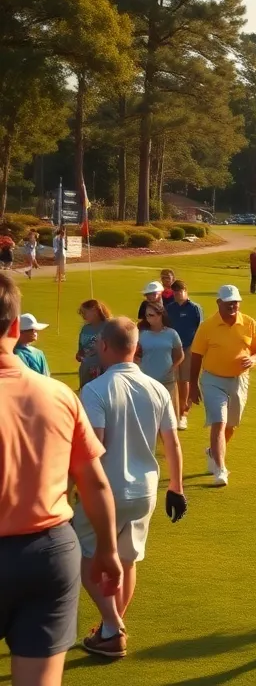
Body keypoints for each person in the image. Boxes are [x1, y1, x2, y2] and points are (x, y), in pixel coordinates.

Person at [0, 275, 122, 685]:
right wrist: (106, 549)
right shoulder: (59, 395)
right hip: (49, 554)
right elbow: (94, 483)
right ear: (15, 328)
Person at [76, 317, 186, 659]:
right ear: (136, 348)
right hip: (146, 492)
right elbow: (172, 444)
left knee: (88, 559)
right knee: (127, 560)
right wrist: (177, 488)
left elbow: (96, 444)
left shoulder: (95, 389)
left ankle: (112, 627)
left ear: (104, 346)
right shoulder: (157, 388)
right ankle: (111, 627)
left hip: (106, 492)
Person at [189, 285, 256, 487]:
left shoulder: (249, 323)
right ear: (219, 303)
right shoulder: (207, 326)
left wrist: (254, 359)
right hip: (213, 380)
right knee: (219, 422)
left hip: (239, 380)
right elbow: (196, 356)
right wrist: (193, 385)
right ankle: (221, 469)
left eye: (236, 302)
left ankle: (212, 452)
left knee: (231, 426)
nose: (233, 305)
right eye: (228, 302)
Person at [136, 301, 184, 425]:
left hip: (167, 381)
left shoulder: (172, 334)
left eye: (151, 315)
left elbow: (180, 355)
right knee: (148, 421)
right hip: (147, 382)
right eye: (147, 315)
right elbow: (134, 354)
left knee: (169, 421)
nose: (148, 318)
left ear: (160, 315)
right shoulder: (141, 334)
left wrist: (173, 367)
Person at [165, 281, 204, 431]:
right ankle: (175, 412)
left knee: (186, 381)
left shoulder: (194, 308)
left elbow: (200, 329)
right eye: (175, 292)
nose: (177, 294)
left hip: (189, 347)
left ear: (186, 291)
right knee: (174, 381)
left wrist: (197, 348)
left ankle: (184, 414)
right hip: (173, 349)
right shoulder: (170, 309)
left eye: (180, 291)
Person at [77, 299, 111, 391]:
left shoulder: (109, 326)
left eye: (84, 312)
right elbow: (81, 347)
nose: (83, 316)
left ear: (94, 311)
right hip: (86, 368)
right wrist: (79, 354)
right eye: (81, 313)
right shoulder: (85, 328)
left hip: (103, 369)